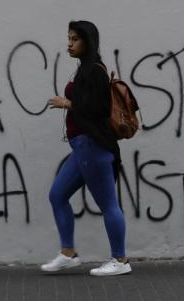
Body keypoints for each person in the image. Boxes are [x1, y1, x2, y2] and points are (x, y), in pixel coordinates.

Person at [40, 20, 131, 277]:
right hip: (82, 149)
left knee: (108, 204)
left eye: (75, 39)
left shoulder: (95, 71)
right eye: (68, 38)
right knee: (57, 195)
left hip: (94, 147)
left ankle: (120, 259)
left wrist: (67, 103)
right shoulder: (85, 70)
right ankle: (68, 253)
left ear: (87, 42)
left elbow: (100, 110)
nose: (69, 44)